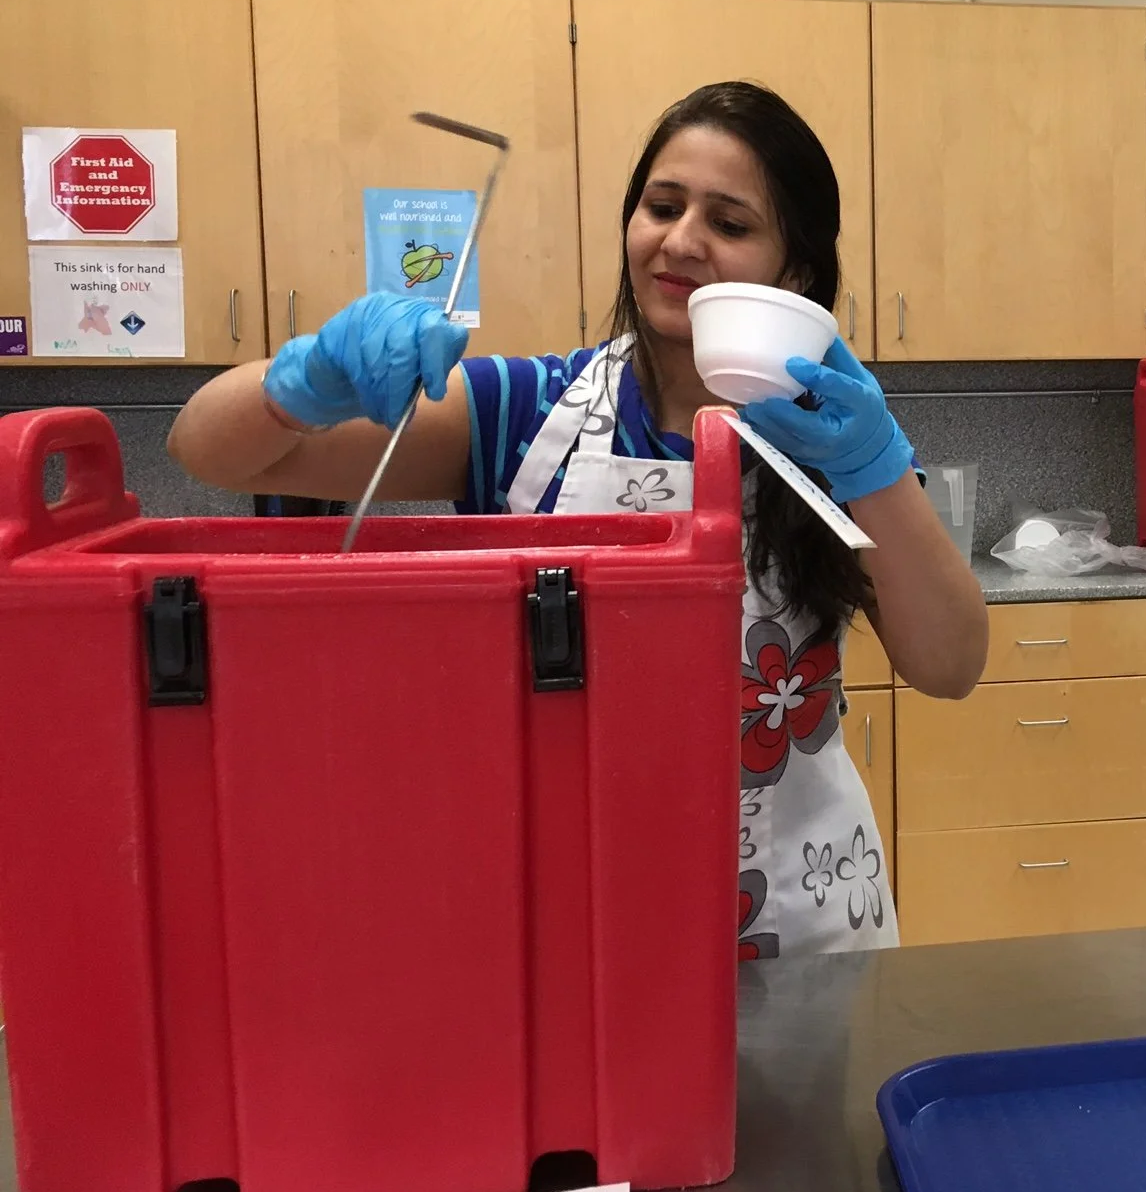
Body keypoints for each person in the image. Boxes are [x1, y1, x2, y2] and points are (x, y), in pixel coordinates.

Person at [168, 81, 989, 959]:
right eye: (661, 206)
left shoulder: (833, 436)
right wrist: (309, 377)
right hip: (576, 939)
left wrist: (873, 471)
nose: (680, 242)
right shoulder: (527, 412)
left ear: (794, 271)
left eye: (731, 222)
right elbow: (209, 449)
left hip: (802, 931)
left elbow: (950, 664)